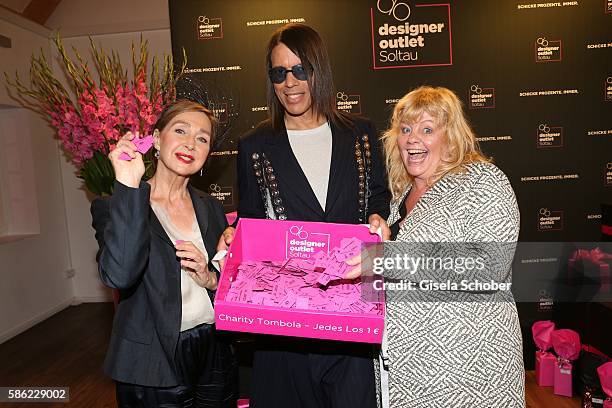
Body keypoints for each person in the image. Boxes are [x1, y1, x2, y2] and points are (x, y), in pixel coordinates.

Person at [218, 23, 391, 407]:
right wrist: (235, 236)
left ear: (319, 71)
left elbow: (379, 198)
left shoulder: (360, 134)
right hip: (284, 325)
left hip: (351, 319)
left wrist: (381, 220)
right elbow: (250, 223)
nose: (290, 82)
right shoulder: (254, 147)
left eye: (300, 70)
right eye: (279, 73)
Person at [377, 86, 525, 407]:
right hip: (410, 373)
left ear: (451, 137)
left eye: (427, 129)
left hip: (468, 374)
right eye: (405, 129)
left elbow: (489, 266)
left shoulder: (481, 181)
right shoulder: (401, 200)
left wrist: (386, 256)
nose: (413, 138)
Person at [91, 100, 237, 407]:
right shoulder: (117, 205)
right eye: (180, 130)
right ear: (157, 139)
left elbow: (229, 283)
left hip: (214, 350)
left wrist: (211, 277)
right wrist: (129, 187)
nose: (190, 144)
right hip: (152, 361)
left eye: (202, 138)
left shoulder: (209, 206)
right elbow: (119, 274)